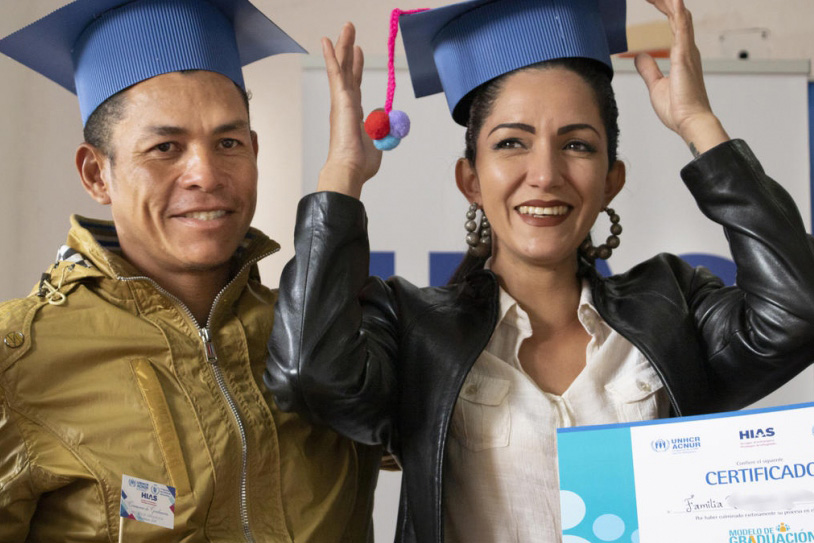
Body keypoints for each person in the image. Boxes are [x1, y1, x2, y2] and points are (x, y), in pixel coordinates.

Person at [265, 0, 814, 541]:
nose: (545, 174)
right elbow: (308, 374)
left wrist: (700, 125)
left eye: (576, 144)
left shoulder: (674, 305)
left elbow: (798, 310)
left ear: (611, 180)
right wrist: (342, 176)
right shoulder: (414, 329)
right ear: (471, 181)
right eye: (512, 143)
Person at [0, 1, 380, 541]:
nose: (205, 173)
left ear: (254, 151)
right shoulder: (18, 361)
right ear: (96, 174)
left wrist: (342, 181)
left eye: (228, 143)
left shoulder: (321, 339)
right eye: (165, 148)